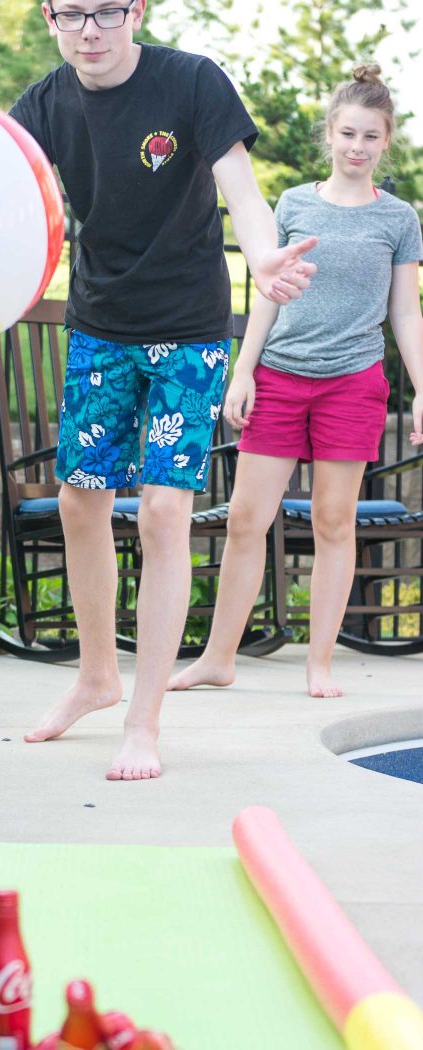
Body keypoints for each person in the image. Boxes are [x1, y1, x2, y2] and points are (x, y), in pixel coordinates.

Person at [9, 0, 317, 780]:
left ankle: (144, 721)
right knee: (79, 495)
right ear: (49, 17)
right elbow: (3, 199)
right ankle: (95, 678)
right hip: (99, 325)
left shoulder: (191, 83)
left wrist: (265, 258)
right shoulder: (42, 106)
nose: (90, 30)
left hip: (186, 327)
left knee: (162, 508)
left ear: (136, 10)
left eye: (107, 10)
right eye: (70, 13)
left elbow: (242, 193)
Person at [169, 64, 423, 701]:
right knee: (247, 519)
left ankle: (320, 665)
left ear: (385, 141)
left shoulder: (399, 219)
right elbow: (268, 295)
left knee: (335, 522)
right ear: (329, 135)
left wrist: (422, 387)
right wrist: (243, 372)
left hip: (352, 383)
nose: (357, 147)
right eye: (347, 134)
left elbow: (406, 311)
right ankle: (218, 658)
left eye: (370, 137)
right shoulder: (293, 204)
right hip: (280, 376)